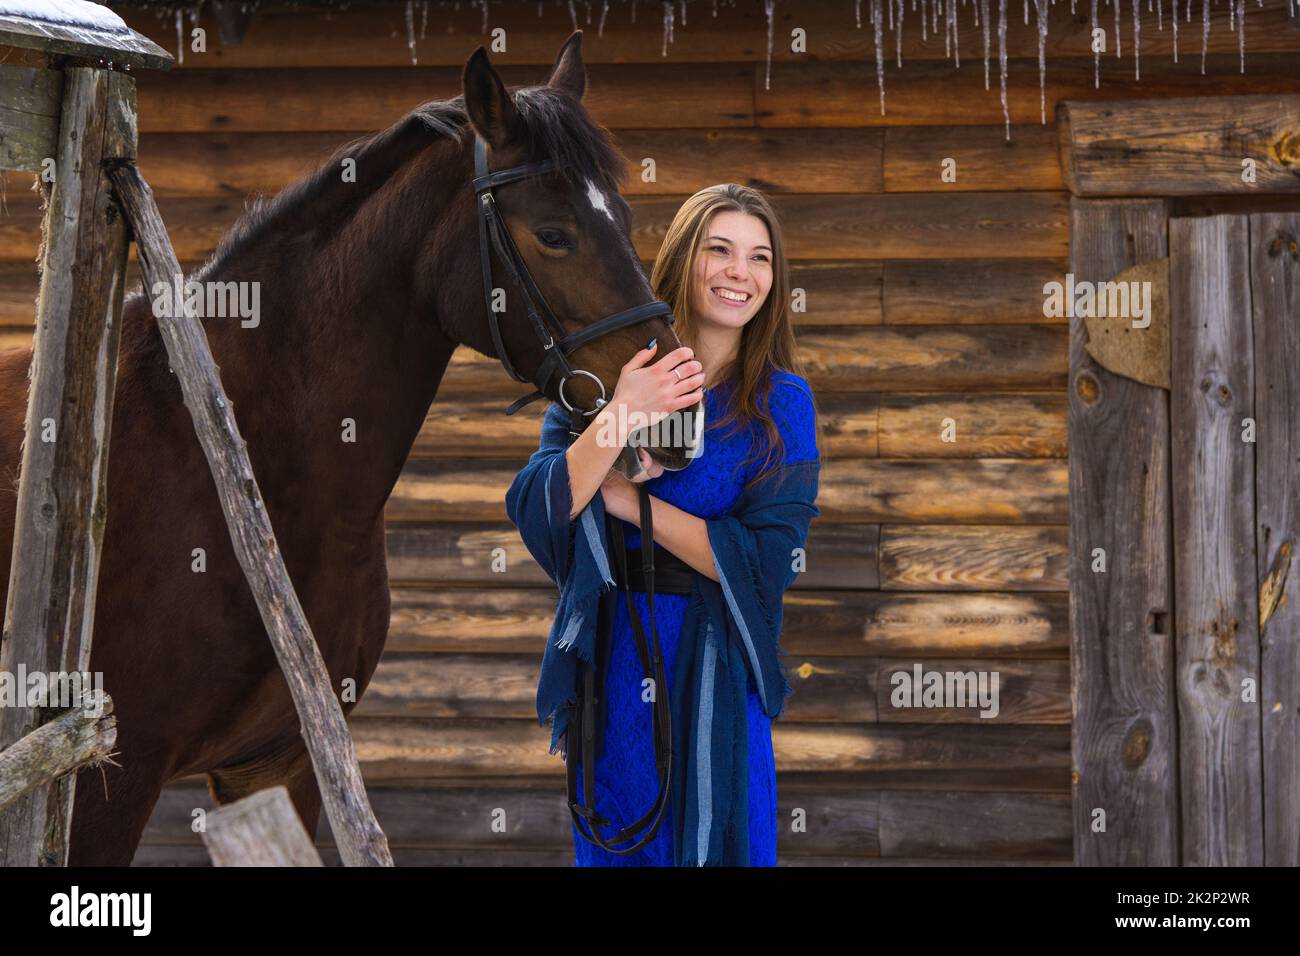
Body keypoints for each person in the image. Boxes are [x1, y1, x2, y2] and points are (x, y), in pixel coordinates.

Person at [506, 183, 822, 866]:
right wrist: (623, 408)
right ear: (684, 257)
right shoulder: (601, 380)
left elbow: (766, 567)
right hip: (614, 667)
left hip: (711, 675)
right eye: (721, 250)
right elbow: (538, 509)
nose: (741, 272)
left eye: (760, 257)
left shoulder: (781, 405)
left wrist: (624, 498)